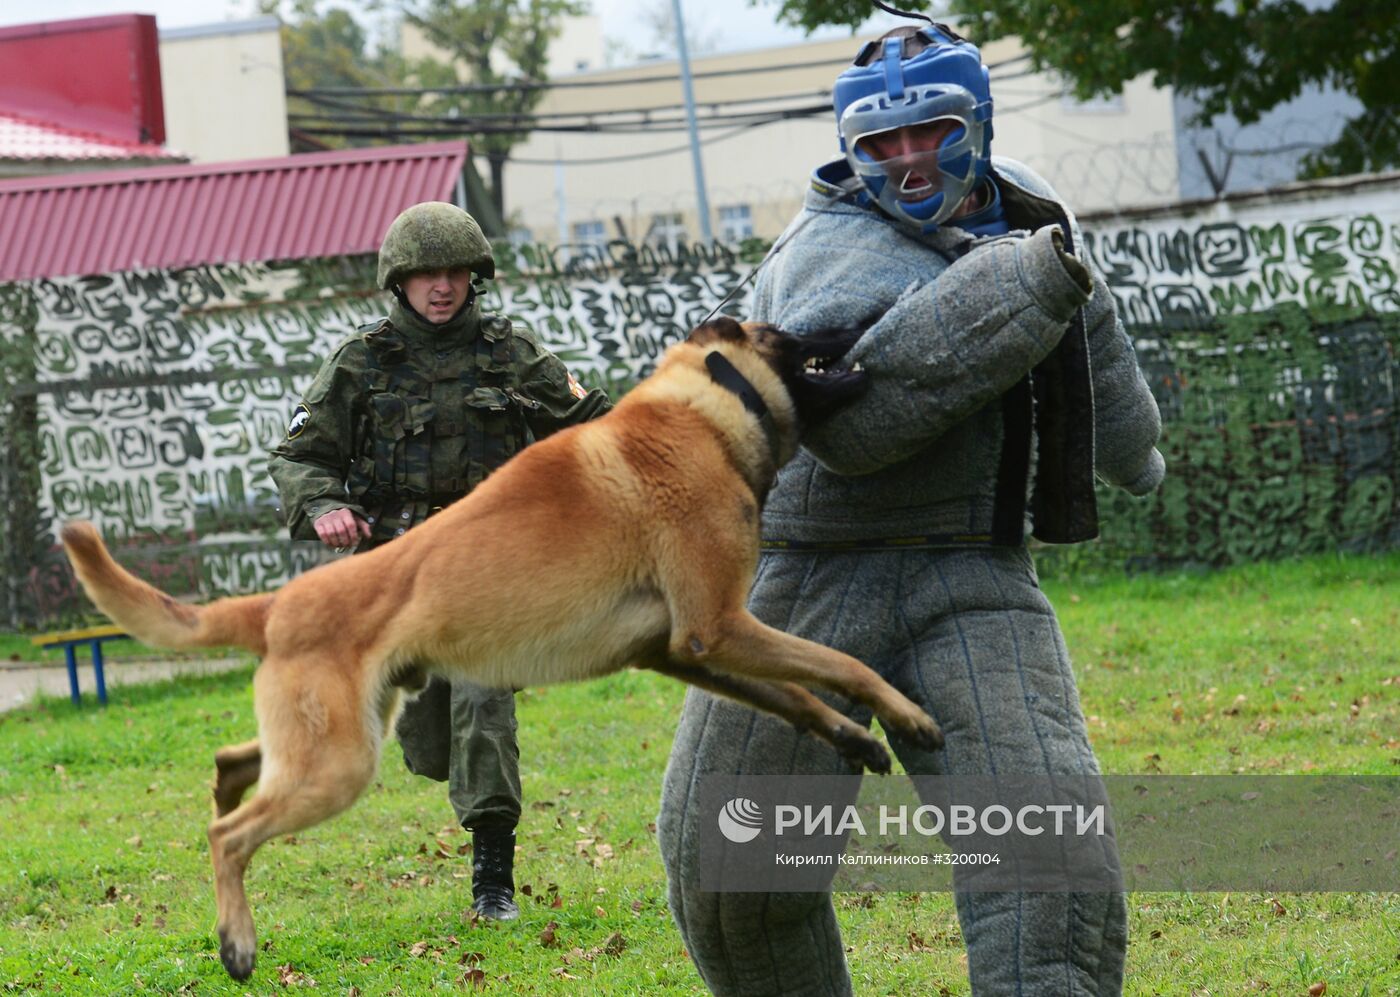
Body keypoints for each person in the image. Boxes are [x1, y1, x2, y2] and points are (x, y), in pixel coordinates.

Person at [657, 23, 1164, 996]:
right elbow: (854, 429)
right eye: (879, 142)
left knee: (1046, 854)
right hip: (806, 572)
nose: (905, 160)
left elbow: (1087, 336)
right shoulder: (824, 256)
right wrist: (1015, 288)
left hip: (971, 567)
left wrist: (1131, 452)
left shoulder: (1028, 213)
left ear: (970, 121)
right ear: (850, 144)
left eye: (926, 130)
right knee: (732, 867)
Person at [268, 201, 611, 921]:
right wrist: (324, 504)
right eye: (427, 274)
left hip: (492, 560)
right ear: (401, 282)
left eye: (455, 271)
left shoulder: (510, 351)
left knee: (486, 702)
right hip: (401, 566)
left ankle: (493, 876)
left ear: (474, 276)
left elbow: (592, 428)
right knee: (429, 742)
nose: (442, 286)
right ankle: (458, 777)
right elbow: (301, 455)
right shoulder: (362, 361)